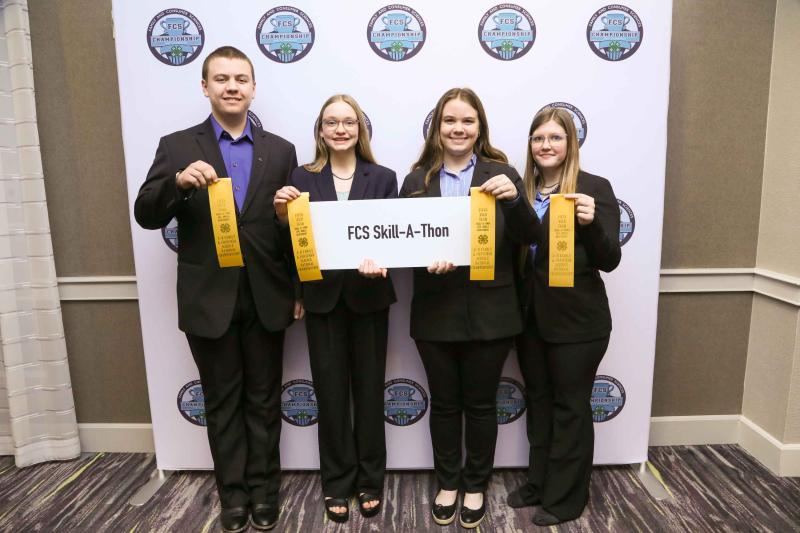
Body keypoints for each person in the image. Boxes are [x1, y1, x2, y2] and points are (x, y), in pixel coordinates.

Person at [134, 46, 300, 533]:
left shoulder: (283, 150)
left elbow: (290, 232)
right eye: (221, 79)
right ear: (205, 88)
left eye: (241, 78)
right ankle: (234, 497)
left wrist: (297, 290)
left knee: (265, 402)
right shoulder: (177, 146)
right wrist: (179, 184)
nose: (232, 86)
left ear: (253, 87)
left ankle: (266, 494)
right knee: (223, 402)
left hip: (268, 297)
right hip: (210, 300)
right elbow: (147, 214)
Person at [399, 88, 539, 529]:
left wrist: (514, 198)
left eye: (467, 121)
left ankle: (475, 485)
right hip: (435, 309)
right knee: (443, 404)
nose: (458, 129)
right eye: (450, 121)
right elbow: (403, 243)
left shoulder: (502, 174)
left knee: (480, 405)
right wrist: (424, 258)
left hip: (492, 311)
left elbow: (529, 235)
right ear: (437, 128)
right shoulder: (416, 181)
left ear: (480, 128)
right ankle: (448, 482)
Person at [273, 95, 397, 523]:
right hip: (322, 299)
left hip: (370, 298)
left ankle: (370, 481)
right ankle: (336, 483)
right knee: (330, 394)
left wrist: (380, 263)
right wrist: (296, 291)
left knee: (367, 391)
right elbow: (293, 245)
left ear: (360, 129)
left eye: (348, 122)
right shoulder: (300, 178)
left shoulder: (383, 177)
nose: (341, 129)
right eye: (332, 122)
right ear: (320, 130)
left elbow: (393, 235)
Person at [506, 106, 621, 526]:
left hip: (578, 322)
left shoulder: (593, 188)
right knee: (538, 404)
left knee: (570, 408)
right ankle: (539, 482)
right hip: (529, 318)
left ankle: (567, 497)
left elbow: (610, 259)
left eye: (555, 137)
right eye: (539, 138)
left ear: (570, 143)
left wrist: (591, 224)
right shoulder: (521, 190)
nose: (546, 145)